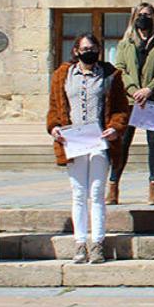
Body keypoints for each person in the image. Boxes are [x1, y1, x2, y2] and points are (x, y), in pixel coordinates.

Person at [47, 34, 130, 265]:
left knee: (96, 193)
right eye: (84, 48)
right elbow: (54, 107)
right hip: (73, 141)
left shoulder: (110, 76)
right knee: (78, 193)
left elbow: (121, 109)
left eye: (93, 48)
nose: (88, 52)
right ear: (76, 51)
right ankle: (80, 243)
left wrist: (115, 128)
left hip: (98, 141)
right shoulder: (62, 75)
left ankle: (97, 243)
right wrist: (54, 128)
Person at [109, 2, 154, 206]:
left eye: (148, 14)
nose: (144, 18)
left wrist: (150, 89)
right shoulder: (126, 42)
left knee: (153, 142)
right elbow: (120, 69)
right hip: (129, 99)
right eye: (140, 14)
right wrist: (133, 89)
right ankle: (113, 186)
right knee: (123, 142)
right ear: (134, 17)